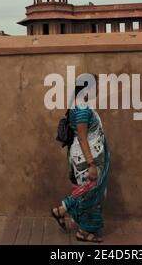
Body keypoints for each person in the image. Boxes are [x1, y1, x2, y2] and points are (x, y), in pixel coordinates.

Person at [51, 74, 110, 243]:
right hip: (86, 160)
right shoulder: (82, 109)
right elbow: (83, 138)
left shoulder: (78, 105)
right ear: (87, 88)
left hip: (83, 156)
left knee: (85, 191)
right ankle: (84, 231)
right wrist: (91, 163)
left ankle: (61, 211)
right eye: (95, 87)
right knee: (90, 195)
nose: (97, 90)